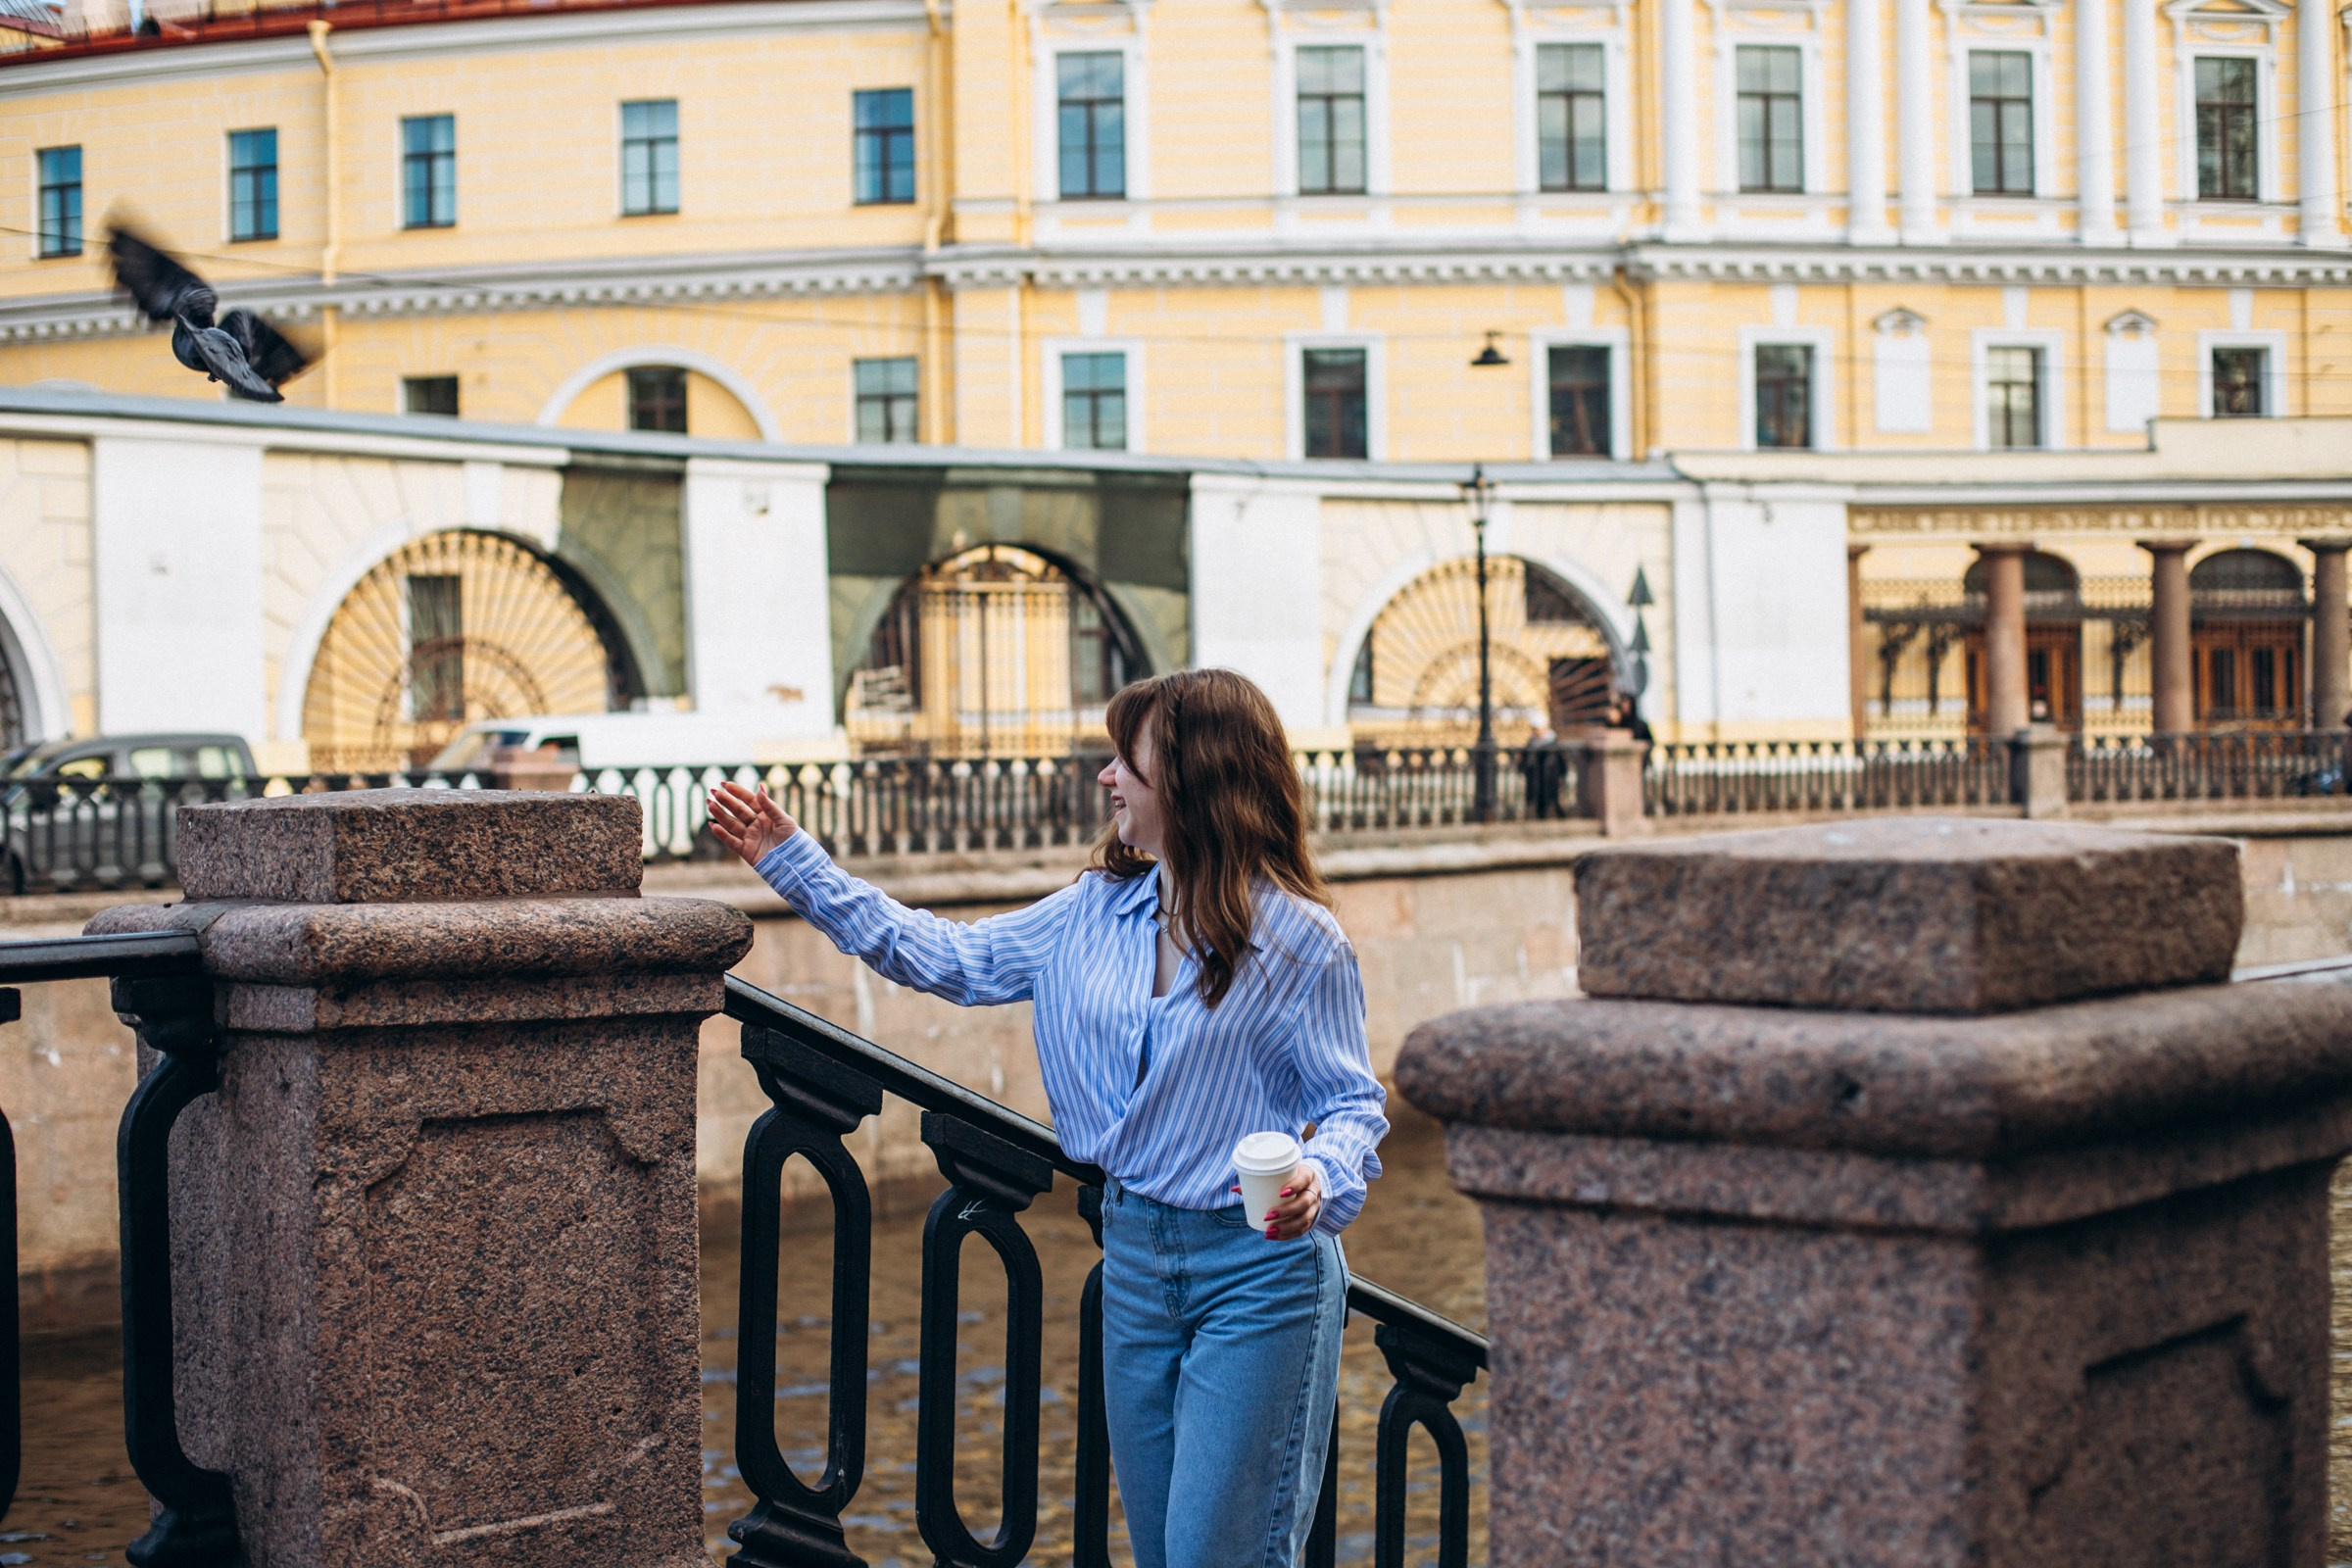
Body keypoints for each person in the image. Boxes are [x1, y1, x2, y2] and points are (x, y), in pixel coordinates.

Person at [708, 667, 1388, 1568]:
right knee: (1163, 1554)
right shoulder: (1093, 913)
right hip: (1135, 1265)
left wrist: (1320, 1177)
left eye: (1125, 760)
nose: (1106, 777)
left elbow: (1351, 1105)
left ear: (1191, 779)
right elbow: (942, 957)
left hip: (1259, 1274)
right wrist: (793, 861)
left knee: (1216, 1560)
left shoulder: (1300, 942)